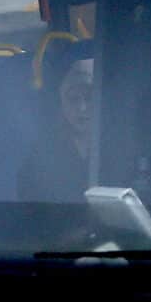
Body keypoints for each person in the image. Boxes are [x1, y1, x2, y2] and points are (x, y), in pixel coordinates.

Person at [18, 55, 96, 200]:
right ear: (61, 104)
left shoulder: (121, 148)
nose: (82, 108)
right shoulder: (42, 156)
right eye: (73, 98)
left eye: (89, 97)